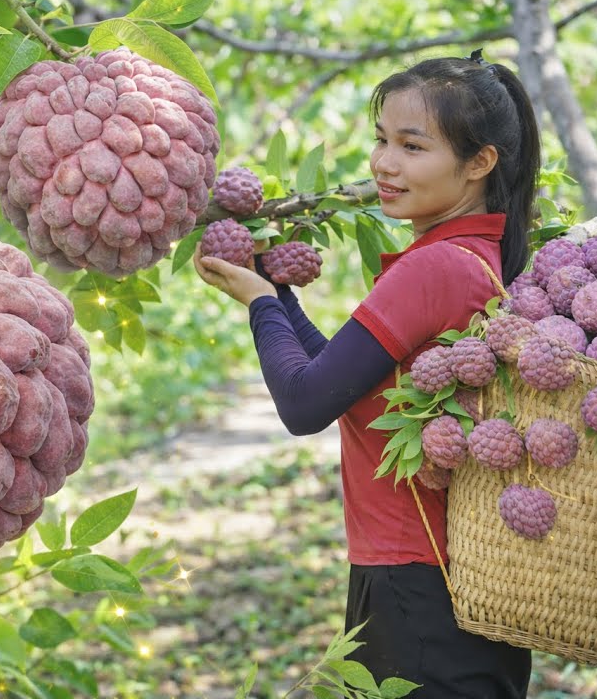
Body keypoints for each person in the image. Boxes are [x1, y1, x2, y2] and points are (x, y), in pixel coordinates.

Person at [193, 51, 540, 697]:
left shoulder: (434, 268)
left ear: (479, 163)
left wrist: (260, 303)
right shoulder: (472, 259)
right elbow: (344, 384)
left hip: (418, 586)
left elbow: (305, 404)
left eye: (413, 146)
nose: (384, 163)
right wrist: (274, 291)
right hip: (440, 576)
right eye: (382, 140)